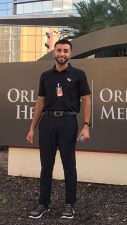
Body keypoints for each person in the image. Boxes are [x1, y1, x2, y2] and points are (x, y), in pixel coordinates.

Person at [26, 39, 91, 219]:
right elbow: (40, 102)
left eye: (65, 51)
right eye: (59, 50)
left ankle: (70, 204)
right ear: (54, 52)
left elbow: (86, 100)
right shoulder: (45, 76)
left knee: (69, 165)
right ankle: (43, 204)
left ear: (70, 54)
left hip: (68, 123)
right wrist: (32, 127)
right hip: (47, 123)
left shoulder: (79, 74)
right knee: (46, 166)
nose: (62, 54)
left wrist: (86, 125)